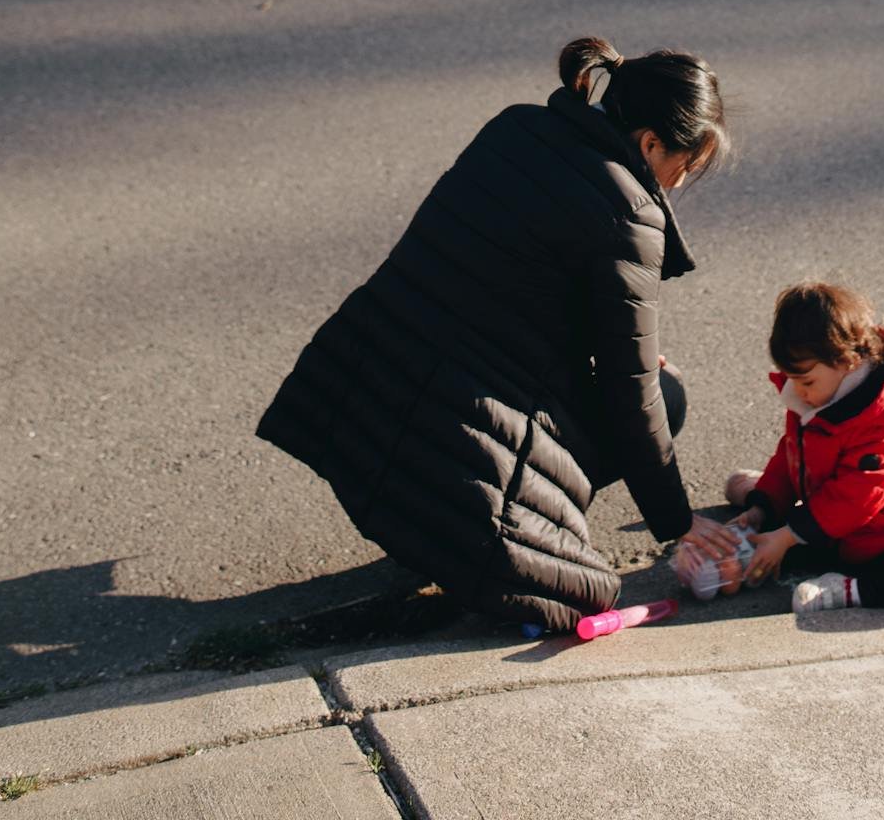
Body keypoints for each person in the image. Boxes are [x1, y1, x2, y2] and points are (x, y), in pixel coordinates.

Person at [257, 35, 740, 634]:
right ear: (649, 144)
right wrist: (677, 520)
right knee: (665, 396)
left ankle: (427, 522)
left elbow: (499, 287)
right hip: (460, 446)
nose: (678, 185)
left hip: (362, 401)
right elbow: (630, 392)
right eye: (685, 168)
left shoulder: (515, 129)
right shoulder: (631, 216)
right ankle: (459, 531)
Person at [717, 279, 884, 614]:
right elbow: (792, 455)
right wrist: (763, 506)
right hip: (833, 526)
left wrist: (788, 536)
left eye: (806, 381)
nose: (798, 391)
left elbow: (855, 500)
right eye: (790, 378)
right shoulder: (818, 394)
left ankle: (855, 589)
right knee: (762, 539)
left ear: (847, 361)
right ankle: (758, 506)